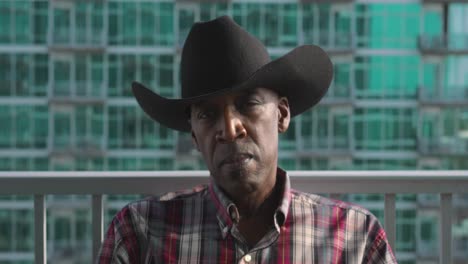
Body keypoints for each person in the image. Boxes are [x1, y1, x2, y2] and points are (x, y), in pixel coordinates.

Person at [97, 16, 397, 263]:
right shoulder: (140, 231)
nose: (229, 129)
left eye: (247, 104)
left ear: (281, 114)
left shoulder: (355, 238)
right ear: (194, 137)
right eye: (207, 115)